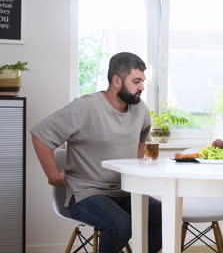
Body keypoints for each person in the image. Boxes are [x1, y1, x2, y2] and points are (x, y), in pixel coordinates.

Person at [31, 52, 162, 252]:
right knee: (121, 225)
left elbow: (141, 140)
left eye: (143, 81)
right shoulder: (84, 107)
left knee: (163, 215)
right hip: (86, 192)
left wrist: (135, 170)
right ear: (116, 80)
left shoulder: (140, 109)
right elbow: (41, 135)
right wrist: (52, 176)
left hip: (125, 190)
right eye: (136, 81)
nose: (142, 87)